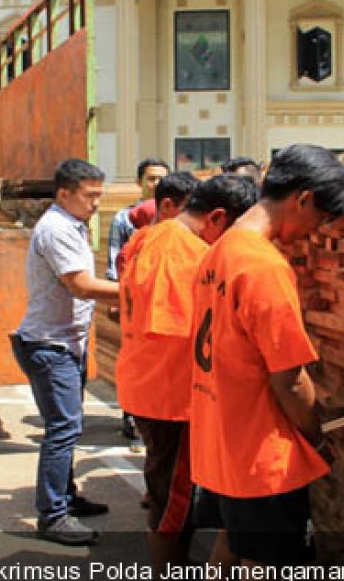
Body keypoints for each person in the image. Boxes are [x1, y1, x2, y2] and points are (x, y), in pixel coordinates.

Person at [189, 144, 344, 566]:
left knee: (231, 548)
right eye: (320, 218)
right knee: (267, 563)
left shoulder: (218, 252)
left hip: (220, 437)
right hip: (262, 454)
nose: (315, 231)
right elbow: (290, 379)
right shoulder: (264, 266)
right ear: (303, 198)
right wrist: (316, 436)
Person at [116, 174, 258, 572]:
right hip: (171, 397)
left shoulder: (154, 236)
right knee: (173, 509)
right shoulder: (180, 251)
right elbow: (182, 332)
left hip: (153, 386)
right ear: (215, 219)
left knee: (173, 502)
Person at [10, 158, 120, 546]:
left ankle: (65, 497)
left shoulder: (71, 225)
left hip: (63, 341)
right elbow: (82, 286)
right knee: (63, 428)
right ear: (64, 193)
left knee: (68, 426)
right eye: (89, 196)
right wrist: (142, 289)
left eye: (99, 196)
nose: (95, 204)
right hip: (49, 344)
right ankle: (53, 515)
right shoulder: (56, 229)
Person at [108, 158, 171, 448]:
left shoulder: (173, 217)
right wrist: (118, 300)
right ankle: (133, 422)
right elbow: (115, 261)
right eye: (151, 179)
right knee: (135, 362)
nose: (155, 184)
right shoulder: (125, 219)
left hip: (164, 306)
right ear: (139, 182)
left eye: (161, 179)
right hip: (136, 303)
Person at [117, 171, 201, 279]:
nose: (196, 219)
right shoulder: (141, 248)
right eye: (189, 211)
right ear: (167, 205)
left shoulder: (134, 245)